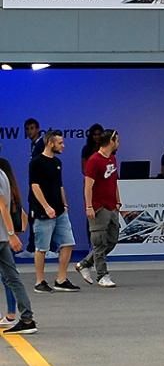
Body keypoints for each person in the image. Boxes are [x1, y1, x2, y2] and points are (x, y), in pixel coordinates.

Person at [27, 131, 77, 293]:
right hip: (43, 212)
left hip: (60, 210)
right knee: (42, 247)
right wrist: (46, 207)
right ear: (50, 143)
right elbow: (35, 186)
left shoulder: (57, 162)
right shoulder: (36, 162)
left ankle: (61, 279)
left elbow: (59, 185)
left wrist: (64, 203)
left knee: (68, 243)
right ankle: (39, 281)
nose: (63, 146)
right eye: (60, 143)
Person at [79, 128, 123, 288]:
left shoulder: (112, 159)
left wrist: (118, 200)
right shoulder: (94, 160)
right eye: (117, 140)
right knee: (99, 242)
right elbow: (88, 186)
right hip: (99, 206)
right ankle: (102, 275)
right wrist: (89, 206)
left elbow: (114, 181)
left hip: (111, 206)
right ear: (111, 141)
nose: (118, 143)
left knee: (112, 239)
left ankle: (85, 263)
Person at [0, 155, 36, 334]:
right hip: (2, 237)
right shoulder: (3, 174)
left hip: (3, 234)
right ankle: (27, 319)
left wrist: (11, 234)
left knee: (11, 278)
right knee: (12, 278)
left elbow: (2, 206)